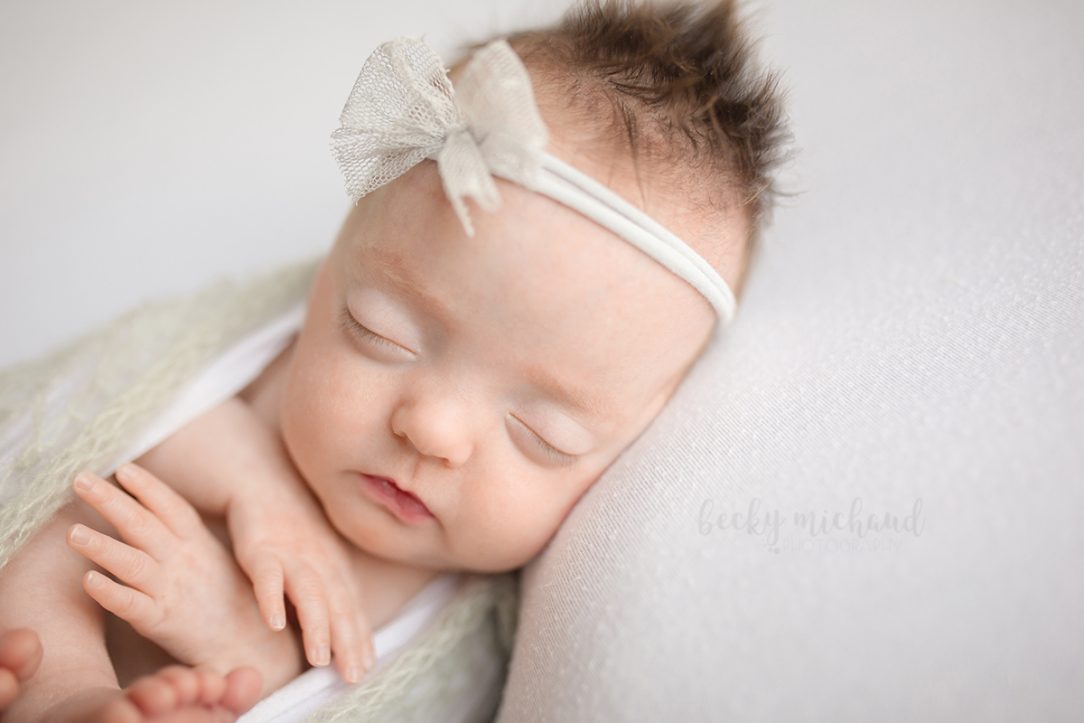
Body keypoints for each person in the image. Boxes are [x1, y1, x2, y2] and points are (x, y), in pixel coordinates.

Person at [0, 0, 790, 720]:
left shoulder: (473, 617)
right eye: (380, 334)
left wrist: (257, 651)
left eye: (541, 432)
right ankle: (63, 697)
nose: (434, 431)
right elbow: (127, 406)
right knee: (63, 527)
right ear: (329, 273)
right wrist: (257, 491)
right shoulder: (271, 369)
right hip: (75, 605)